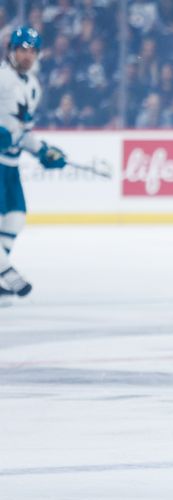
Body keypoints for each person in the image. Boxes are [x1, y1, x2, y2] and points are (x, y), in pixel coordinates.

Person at [0, 26, 68, 299]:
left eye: (32, 51)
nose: (27, 56)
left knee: (16, 218)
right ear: (11, 51)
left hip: (10, 165)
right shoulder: (2, 79)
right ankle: (5, 272)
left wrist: (43, 151)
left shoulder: (34, 87)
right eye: (22, 50)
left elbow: (21, 133)